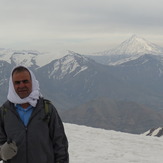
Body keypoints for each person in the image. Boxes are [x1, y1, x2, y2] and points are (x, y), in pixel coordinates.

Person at [0, 65, 69, 163]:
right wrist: (2, 153)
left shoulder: (47, 109)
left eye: (25, 81)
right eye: (17, 82)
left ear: (32, 82)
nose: (21, 85)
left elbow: (60, 144)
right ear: (12, 85)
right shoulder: (4, 112)